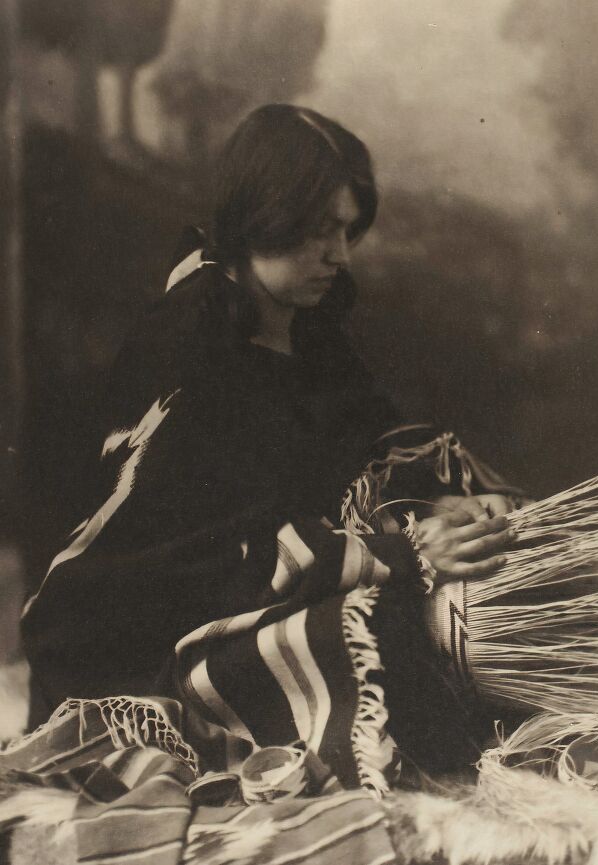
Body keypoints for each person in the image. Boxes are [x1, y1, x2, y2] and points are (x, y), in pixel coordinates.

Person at [20, 104, 520, 796]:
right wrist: (406, 551)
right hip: (148, 635)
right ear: (261, 219)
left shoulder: (305, 323)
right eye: (320, 232)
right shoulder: (188, 348)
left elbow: (371, 434)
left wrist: (449, 495)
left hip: (267, 580)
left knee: (471, 574)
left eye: (347, 231)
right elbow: (222, 547)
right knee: (380, 627)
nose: (340, 255)